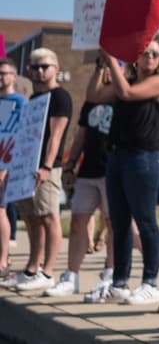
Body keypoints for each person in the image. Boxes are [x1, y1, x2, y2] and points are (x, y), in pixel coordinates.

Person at [89, 42, 159, 305]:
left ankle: (151, 282)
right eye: (145, 52)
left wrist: (112, 57)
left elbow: (126, 93)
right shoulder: (127, 79)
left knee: (145, 220)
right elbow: (94, 95)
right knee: (119, 221)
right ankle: (120, 283)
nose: (149, 57)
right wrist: (100, 65)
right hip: (118, 155)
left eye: (154, 54)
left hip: (144, 157)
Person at [45, 62, 116, 298]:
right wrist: (71, 164)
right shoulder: (90, 102)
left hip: (111, 169)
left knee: (113, 224)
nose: (106, 71)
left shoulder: (123, 99)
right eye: (102, 67)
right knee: (78, 222)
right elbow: (80, 137)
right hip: (88, 170)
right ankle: (71, 276)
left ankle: (110, 274)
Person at [12, 48, 74, 294]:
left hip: (47, 168)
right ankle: (32, 268)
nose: (40, 71)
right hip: (27, 166)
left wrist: (47, 166)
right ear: (28, 70)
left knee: (49, 216)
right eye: (35, 67)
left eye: (45, 66)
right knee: (31, 217)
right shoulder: (32, 100)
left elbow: (56, 135)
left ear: (56, 68)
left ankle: (47, 272)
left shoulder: (60, 97)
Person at [0, 57, 26, 284]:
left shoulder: (20, 102)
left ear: (14, 77)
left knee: (0, 211)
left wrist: (8, 166)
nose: (2, 77)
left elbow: (23, 135)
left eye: (6, 73)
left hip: (7, 162)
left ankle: (3, 259)